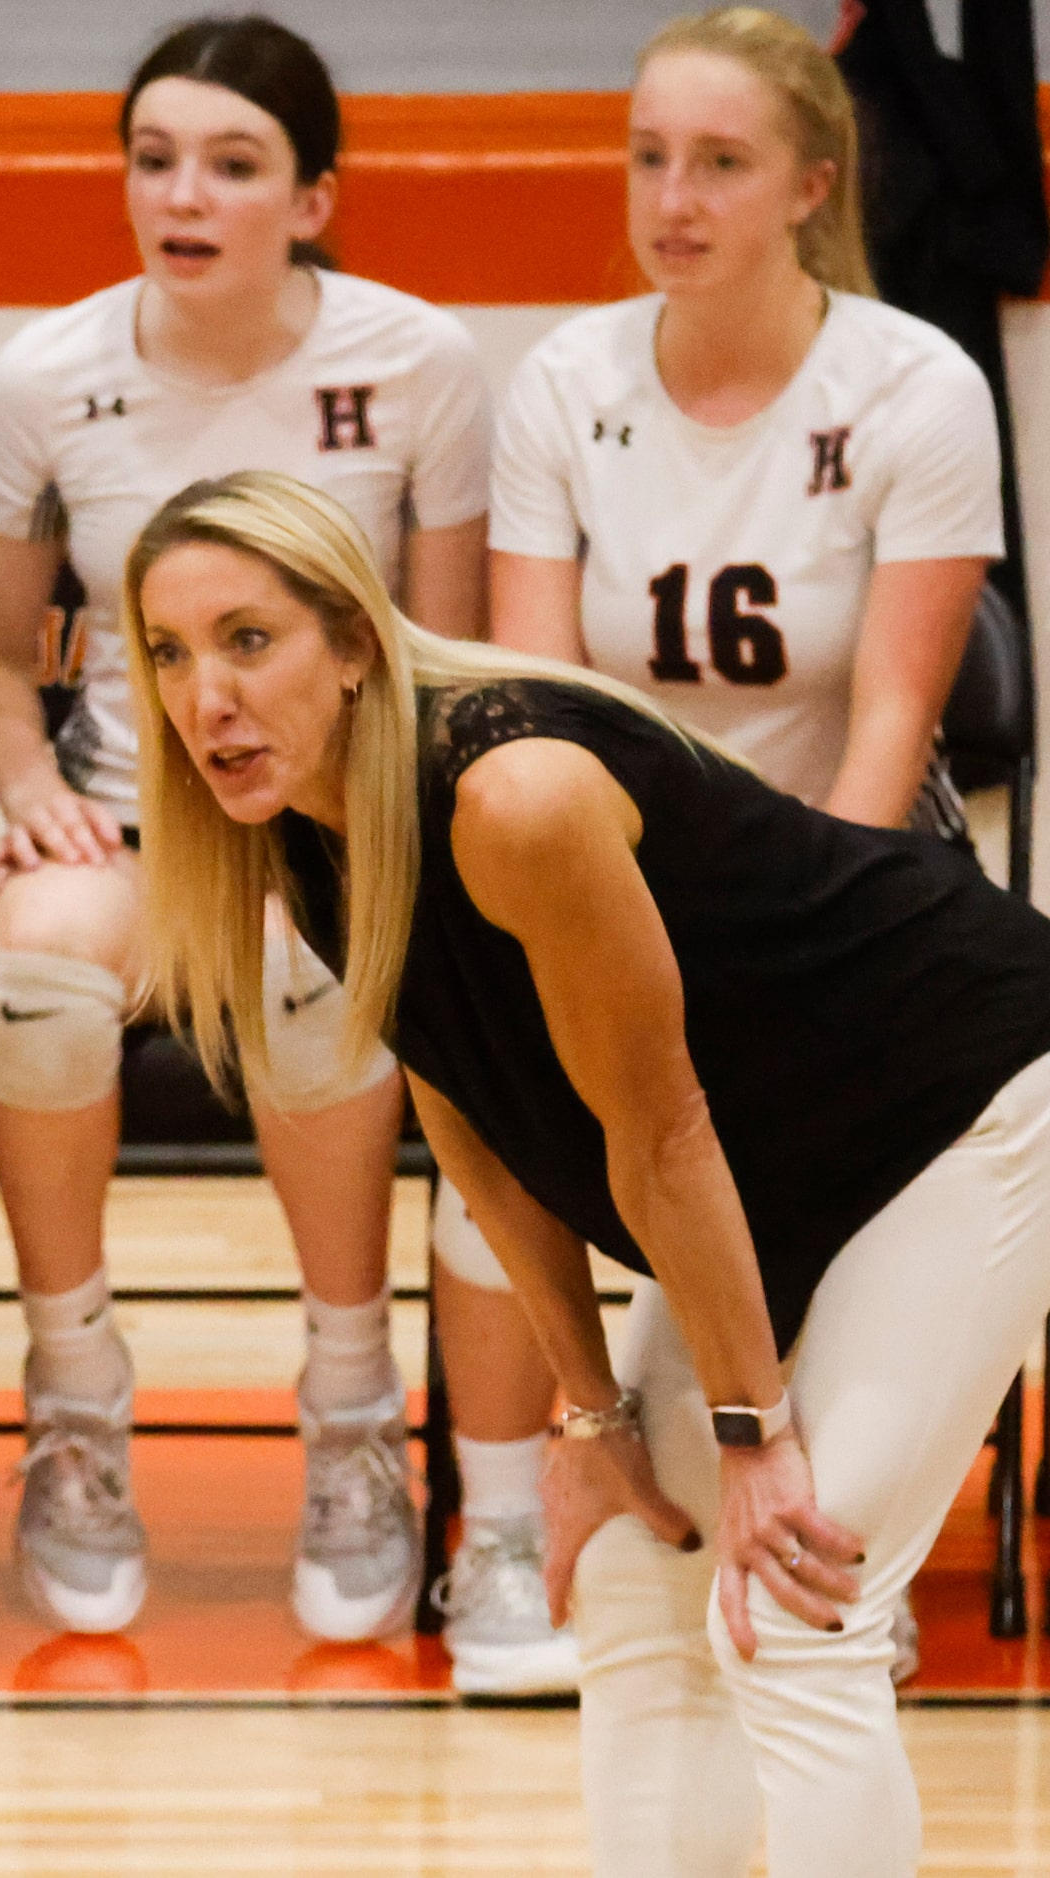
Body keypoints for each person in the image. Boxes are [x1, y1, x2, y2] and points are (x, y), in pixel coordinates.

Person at [127, 467, 1050, 1878]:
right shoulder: (302, 834)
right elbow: (482, 1132)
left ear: (357, 643)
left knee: (797, 1601)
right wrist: (591, 1413)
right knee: (634, 1572)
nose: (209, 700)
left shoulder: (515, 792)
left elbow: (662, 1127)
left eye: (250, 639)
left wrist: (756, 1431)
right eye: (170, 654)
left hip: (967, 1098)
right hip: (777, 1171)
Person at [0, 12, 567, 1683]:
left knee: (319, 972)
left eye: (231, 164)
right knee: (34, 980)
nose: (183, 194)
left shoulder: (418, 362)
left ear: (313, 198)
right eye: (154, 161)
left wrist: (378, 840)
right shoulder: (45, 375)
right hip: (137, 828)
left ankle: (352, 1402)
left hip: (343, 832)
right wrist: (23, 783)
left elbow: (449, 665)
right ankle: (73, 1391)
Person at [484, 4, 1002, 1686]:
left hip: (850, 882)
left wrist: (785, 970)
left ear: (811, 186)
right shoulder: (565, 384)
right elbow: (535, 714)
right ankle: (550, 1501)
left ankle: (862, 1496)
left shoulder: (915, 381)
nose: (674, 199)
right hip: (622, 879)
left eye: (719, 163)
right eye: (649, 158)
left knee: (828, 1131)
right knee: (490, 1102)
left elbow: (892, 734)